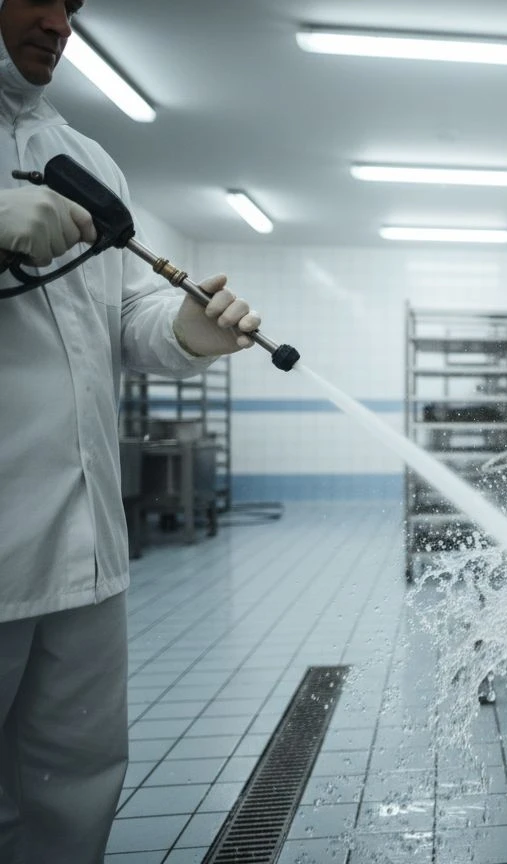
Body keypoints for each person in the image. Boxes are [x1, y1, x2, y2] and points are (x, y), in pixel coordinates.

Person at [0, 1, 261, 860]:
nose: (59, 22)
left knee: (76, 785)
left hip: (86, 551)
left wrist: (191, 329)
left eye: (73, 4)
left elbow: (125, 310)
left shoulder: (84, 158)